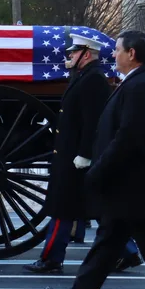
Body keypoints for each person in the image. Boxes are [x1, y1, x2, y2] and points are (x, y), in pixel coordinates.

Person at [44, 30, 145, 289]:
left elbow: (128, 138)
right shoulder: (139, 82)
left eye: (118, 50)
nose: (114, 55)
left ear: (132, 54)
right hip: (132, 185)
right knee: (109, 241)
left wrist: (98, 170)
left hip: (139, 185)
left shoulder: (141, 87)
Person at [24, 33, 111, 274]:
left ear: (86, 54)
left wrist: (84, 154)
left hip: (76, 156)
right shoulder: (84, 77)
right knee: (86, 206)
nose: (69, 55)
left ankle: (51, 257)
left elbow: (92, 121)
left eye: (74, 52)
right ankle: (128, 251)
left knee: (64, 207)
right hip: (70, 153)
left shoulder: (93, 80)